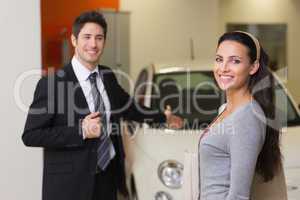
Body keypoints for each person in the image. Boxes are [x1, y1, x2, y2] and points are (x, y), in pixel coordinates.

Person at [22, 11, 182, 200]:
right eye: (87, 37)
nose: (93, 44)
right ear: (74, 40)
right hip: (70, 185)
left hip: (107, 178)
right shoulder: (51, 84)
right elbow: (31, 135)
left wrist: (163, 117)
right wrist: (81, 130)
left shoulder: (107, 76)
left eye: (99, 38)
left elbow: (129, 107)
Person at [198, 31, 282, 200]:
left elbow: (238, 196)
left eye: (235, 61)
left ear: (253, 67)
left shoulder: (246, 118)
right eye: (219, 59)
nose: (223, 68)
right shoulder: (226, 109)